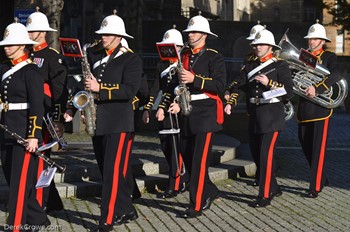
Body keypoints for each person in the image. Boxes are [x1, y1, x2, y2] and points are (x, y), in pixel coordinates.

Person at [82, 11, 142, 231]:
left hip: (119, 123)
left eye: (107, 35)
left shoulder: (131, 59)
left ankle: (106, 219)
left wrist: (100, 89)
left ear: (118, 37)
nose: (103, 38)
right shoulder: (96, 57)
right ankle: (126, 209)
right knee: (106, 168)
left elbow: (129, 90)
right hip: (99, 122)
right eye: (102, 34)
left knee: (112, 173)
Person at [224, 29, 293, 207]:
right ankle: (275, 187)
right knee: (257, 155)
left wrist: (269, 83)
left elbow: (288, 92)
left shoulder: (280, 65)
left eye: (261, 44)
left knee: (265, 156)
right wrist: (231, 101)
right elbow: (241, 87)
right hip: (254, 114)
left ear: (270, 46)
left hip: (271, 116)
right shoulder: (249, 65)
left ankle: (265, 195)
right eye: (256, 44)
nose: (257, 47)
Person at [167, 12, 226, 218]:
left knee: (199, 161)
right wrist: (176, 102)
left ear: (204, 35)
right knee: (188, 156)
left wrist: (195, 79)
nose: (190, 35)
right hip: (186, 112)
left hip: (206, 114)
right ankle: (210, 191)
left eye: (194, 32)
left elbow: (219, 86)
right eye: (189, 32)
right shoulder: (184, 54)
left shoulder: (214, 56)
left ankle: (197, 204)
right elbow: (178, 85)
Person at [0, 20, 50, 230]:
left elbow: (37, 106)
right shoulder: (4, 69)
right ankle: (38, 219)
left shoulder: (31, 71)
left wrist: (33, 135)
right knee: (13, 180)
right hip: (6, 131)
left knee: (19, 186)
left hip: (23, 134)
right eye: (5, 44)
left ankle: (16, 225)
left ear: (22, 45)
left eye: (10, 44)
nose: (6, 47)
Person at [26, 7, 67, 213]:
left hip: (45, 116)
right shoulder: (25, 54)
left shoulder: (51, 56)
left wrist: (58, 119)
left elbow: (60, 90)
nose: (29, 34)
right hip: (26, 115)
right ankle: (52, 202)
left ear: (43, 32)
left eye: (32, 31)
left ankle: (41, 203)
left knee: (41, 161)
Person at [143, 25, 190, 199]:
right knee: (166, 145)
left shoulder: (183, 64)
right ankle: (182, 177)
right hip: (165, 109)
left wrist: (169, 105)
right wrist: (148, 108)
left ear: (179, 48)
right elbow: (155, 88)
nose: (167, 50)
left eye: (171, 47)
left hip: (177, 109)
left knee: (175, 148)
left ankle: (175, 184)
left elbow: (181, 89)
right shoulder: (161, 64)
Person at [298, 21, 342, 198]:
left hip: (320, 109)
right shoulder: (303, 56)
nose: (312, 41)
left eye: (316, 39)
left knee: (317, 150)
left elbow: (336, 74)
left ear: (322, 41)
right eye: (310, 39)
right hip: (304, 108)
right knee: (305, 145)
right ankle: (321, 178)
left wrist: (318, 88)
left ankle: (315, 187)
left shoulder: (329, 56)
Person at [225, 21, 266, 187]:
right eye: (252, 43)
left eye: (256, 43)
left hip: (269, 110)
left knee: (265, 147)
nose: (253, 46)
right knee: (255, 145)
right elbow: (242, 81)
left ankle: (265, 177)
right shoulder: (249, 59)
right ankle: (261, 174)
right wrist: (230, 91)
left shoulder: (275, 60)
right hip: (253, 108)